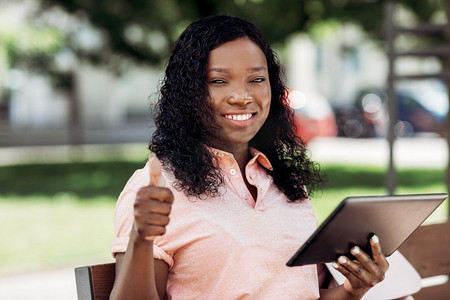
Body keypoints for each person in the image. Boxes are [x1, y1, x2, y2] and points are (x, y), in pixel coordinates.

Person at [109, 15, 389, 299]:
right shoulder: (154, 191)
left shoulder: (285, 183)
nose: (242, 96)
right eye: (219, 81)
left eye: (256, 79)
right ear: (188, 94)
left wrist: (353, 289)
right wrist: (141, 238)